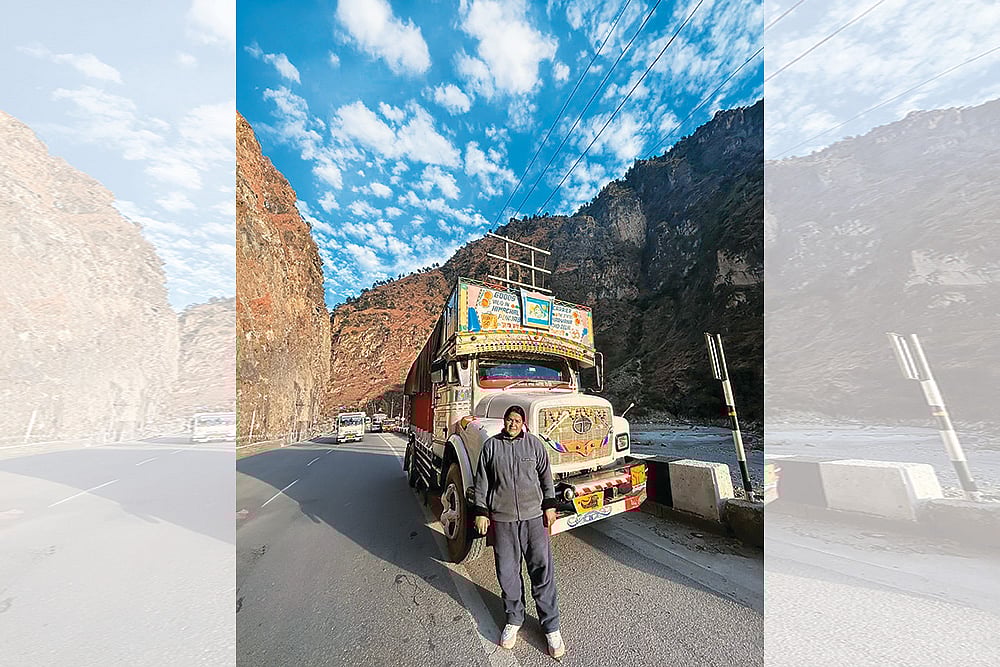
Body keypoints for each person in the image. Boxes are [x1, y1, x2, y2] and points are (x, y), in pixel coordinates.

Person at [472, 405, 565, 659]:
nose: (512, 424)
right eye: (509, 420)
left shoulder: (534, 445)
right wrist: (481, 511)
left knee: (542, 570)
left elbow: (546, 478)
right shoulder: (491, 447)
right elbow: (482, 482)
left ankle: (551, 627)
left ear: (523, 423)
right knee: (507, 573)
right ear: (504, 422)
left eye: (516, 420)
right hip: (503, 521)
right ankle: (514, 619)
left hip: (534, 519)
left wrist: (549, 506)